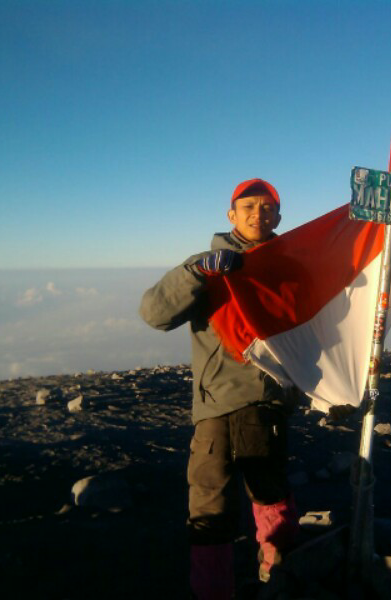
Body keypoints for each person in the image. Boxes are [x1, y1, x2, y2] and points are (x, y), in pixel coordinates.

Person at [139, 178, 300, 599]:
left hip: (267, 404)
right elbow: (154, 313)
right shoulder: (206, 265)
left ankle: (276, 574)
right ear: (231, 216)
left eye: (267, 208)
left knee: (272, 495)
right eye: (249, 207)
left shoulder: (287, 266)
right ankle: (214, 591)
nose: (258, 214)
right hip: (217, 405)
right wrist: (197, 271)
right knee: (210, 506)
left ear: (279, 217)